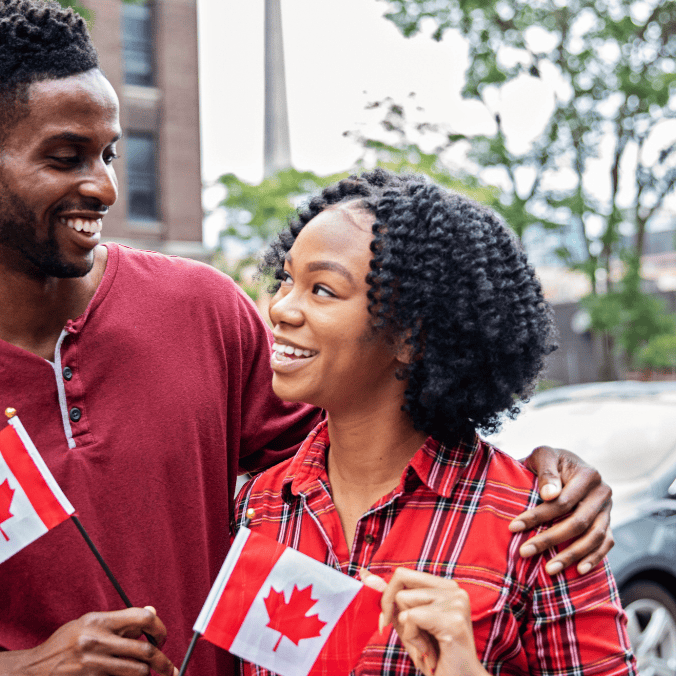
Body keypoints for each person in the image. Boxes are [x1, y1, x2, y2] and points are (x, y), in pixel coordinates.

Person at [0, 1, 613, 674]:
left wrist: (545, 475)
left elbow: (375, 434)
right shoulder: (268, 509)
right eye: (65, 157)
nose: (106, 187)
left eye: (111, 153)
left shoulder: (201, 311)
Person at [234, 169, 636, 676]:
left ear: (410, 336)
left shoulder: (538, 528)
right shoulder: (259, 508)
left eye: (322, 290)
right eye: (287, 279)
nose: (280, 308)